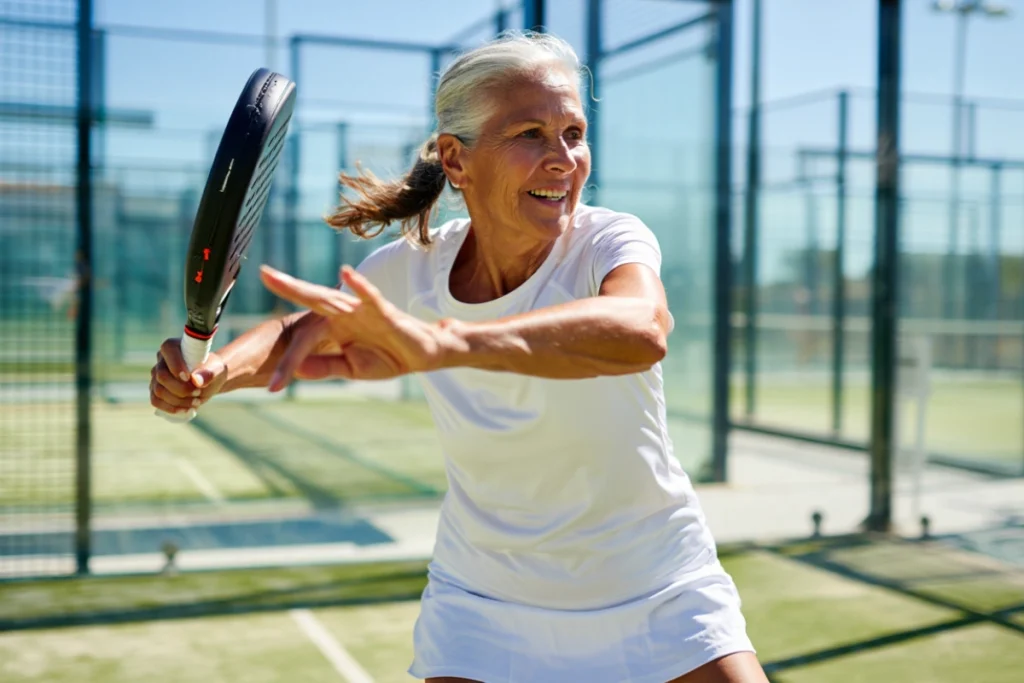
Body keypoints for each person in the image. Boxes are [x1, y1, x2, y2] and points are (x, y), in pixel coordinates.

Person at [151, 31, 768, 683]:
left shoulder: (609, 239)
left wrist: (447, 343)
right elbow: (301, 332)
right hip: (484, 604)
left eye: (574, 133)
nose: (563, 159)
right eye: (531, 134)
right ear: (455, 159)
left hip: (657, 588)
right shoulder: (412, 269)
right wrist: (213, 373)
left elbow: (641, 327)